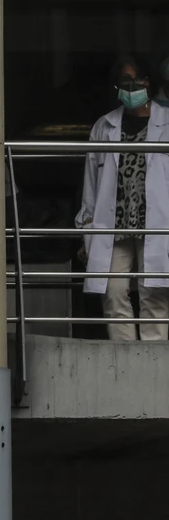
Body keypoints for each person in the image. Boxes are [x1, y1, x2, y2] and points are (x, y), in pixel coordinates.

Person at [77, 54, 169, 341]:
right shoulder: (104, 126)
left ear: (149, 82)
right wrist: (86, 229)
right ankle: (126, 363)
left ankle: (154, 362)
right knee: (113, 293)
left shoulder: (166, 123)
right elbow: (91, 184)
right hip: (114, 224)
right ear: (116, 86)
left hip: (155, 222)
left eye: (138, 79)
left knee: (154, 295)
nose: (132, 86)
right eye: (125, 80)